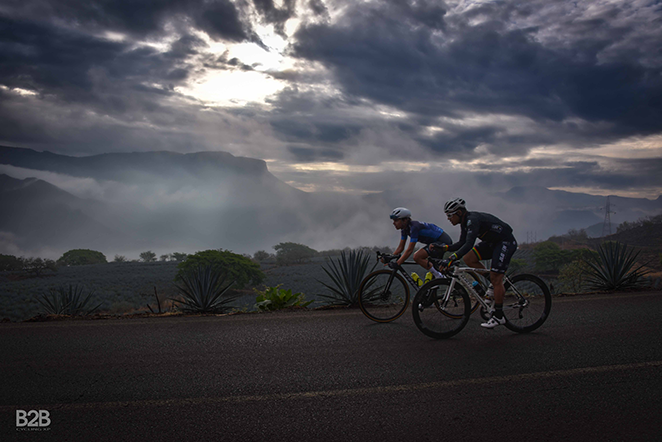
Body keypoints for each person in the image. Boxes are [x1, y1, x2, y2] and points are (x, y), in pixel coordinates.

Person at [436, 198, 518, 329]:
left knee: (497, 278)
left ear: (459, 213)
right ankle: (493, 284)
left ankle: (498, 316)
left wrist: (451, 258)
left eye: (450, 215)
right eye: (447, 215)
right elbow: (461, 243)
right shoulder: (464, 222)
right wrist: (444, 248)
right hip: (492, 243)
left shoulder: (472, 220)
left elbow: (469, 244)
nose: (448, 219)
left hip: (505, 242)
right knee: (469, 258)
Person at [387, 207, 453, 279]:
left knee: (417, 256)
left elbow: (410, 250)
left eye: (396, 220)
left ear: (405, 220)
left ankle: (439, 277)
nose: (394, 223)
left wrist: (397, 263)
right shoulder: (404, 229)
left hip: (443, 241)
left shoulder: (414, 227)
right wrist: (390, 257)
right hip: (435, 243)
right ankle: (438, 280)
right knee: (433, 271)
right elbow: (400, 248)